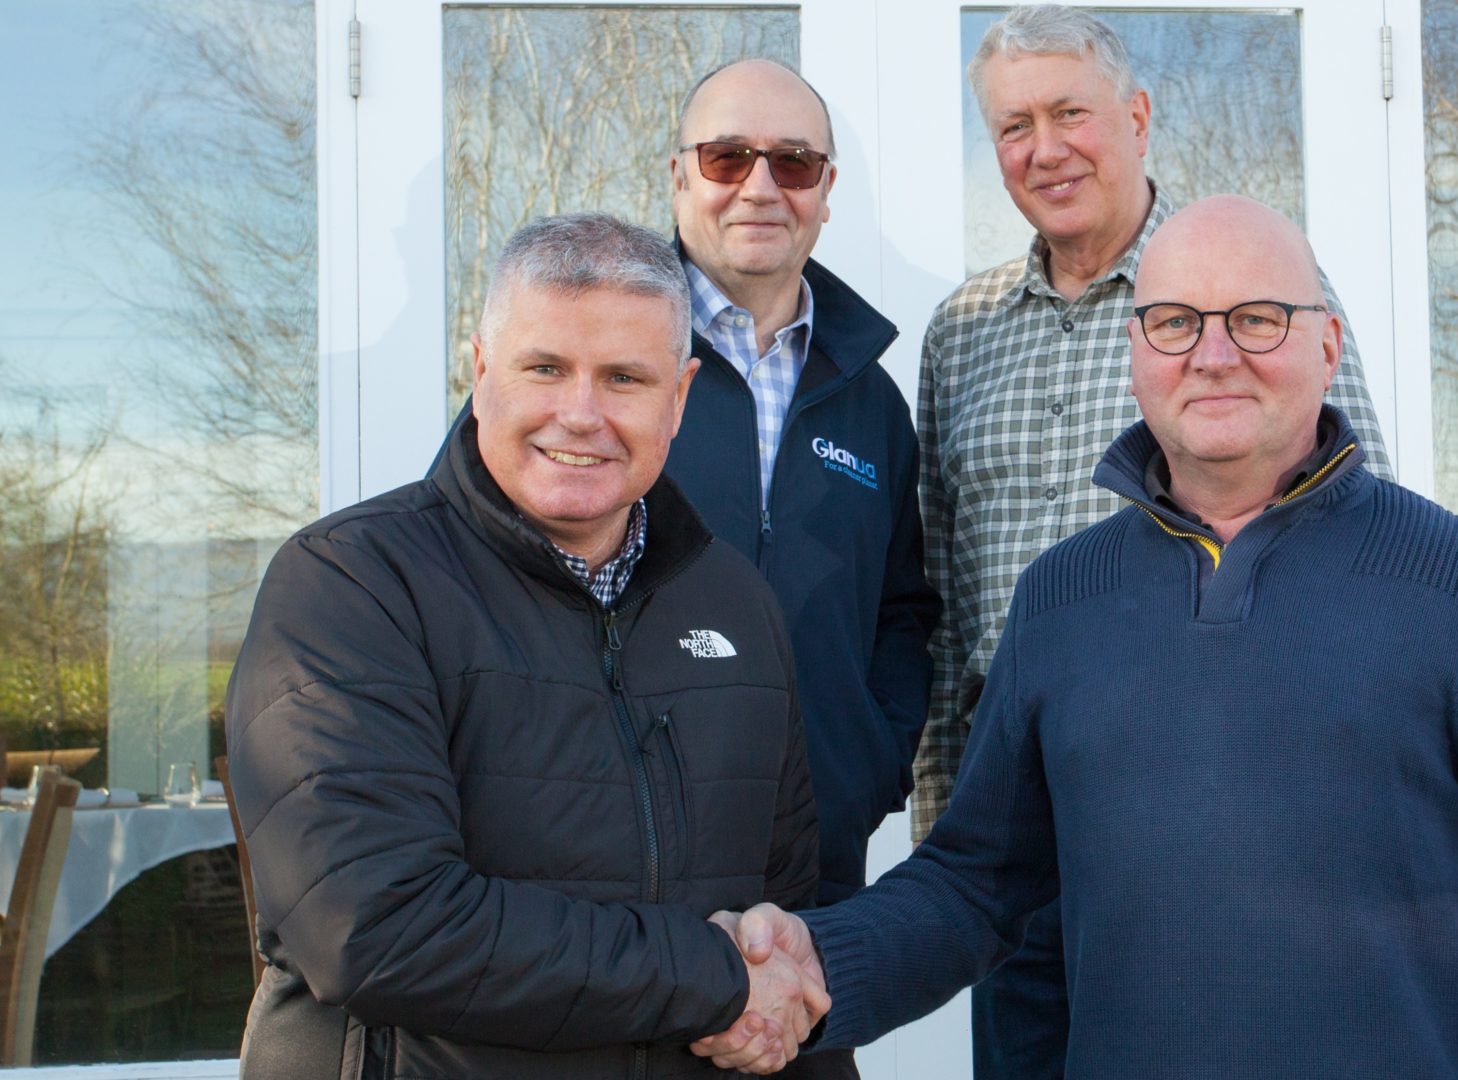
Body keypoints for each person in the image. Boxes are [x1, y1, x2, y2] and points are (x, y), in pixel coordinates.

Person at [698, 196, 1458, 1078]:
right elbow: (977, 883)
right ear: (1136, 353)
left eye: (1257, 318)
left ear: (1327, 345)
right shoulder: (1062, 598)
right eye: (1176, 322)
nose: (1213, 353)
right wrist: (818, 963)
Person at [907, 8, 1398, 1073]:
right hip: (1019, 813)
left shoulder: (1252, 296)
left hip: (1209, 797)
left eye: (1069, 113)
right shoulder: (961, 332)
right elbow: (945, 601)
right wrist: (949, 831)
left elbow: (1357, 547)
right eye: (1012, 125)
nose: (1044, 148)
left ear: (1135, 116)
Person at [224, 214, 829, 1078]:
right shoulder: (349, 584)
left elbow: (783, 915)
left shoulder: (736, 603)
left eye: (624, 377)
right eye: (545, 368)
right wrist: (712, 976)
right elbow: (377, 926)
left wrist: (769, 993)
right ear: (480, 371)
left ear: (681, 396)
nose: (579, 414)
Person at [665, 60, 938, 928]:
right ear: (677, 175)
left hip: (816, 880)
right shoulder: (602, 352)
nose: (759, 187)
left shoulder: (870, 400)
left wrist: (867, 765)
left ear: (825, 191)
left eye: (792, 162)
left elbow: (901, 611)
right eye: (725, 158)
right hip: (616, 867)